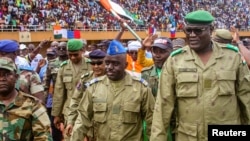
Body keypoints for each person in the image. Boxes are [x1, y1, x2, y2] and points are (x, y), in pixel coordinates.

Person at [150, 10, 250, 141]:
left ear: (211, 30)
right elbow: (163, 106)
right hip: (189, 136)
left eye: (198, 31)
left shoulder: (233, 57)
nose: (192, 35)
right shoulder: (175, 60)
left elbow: (247, 99)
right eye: (188, 30)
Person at [71, 40, 155, 141]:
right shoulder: (94, 87)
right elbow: (82, 120)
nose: (109, 67)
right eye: (107, 63)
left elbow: (152, 122)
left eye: (115, 64)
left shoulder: (141, 88)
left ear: (125, 65)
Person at [0, 57, 52, 141]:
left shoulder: (33, 105)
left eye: (7, 74)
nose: (2, 79)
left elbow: (44, 137)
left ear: (16, 77)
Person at [52, 39, 91, 141]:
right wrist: (56, 114)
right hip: (69, 111)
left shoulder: (90, 66)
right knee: (69, 136)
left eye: (76, 54)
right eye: (70, 55)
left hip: (88, 111)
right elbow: (59, 92)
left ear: (82, 51)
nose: (73, 57)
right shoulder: (64, 67)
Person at [65, 49, 107, 140]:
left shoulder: (111, 80)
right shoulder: (85, 79)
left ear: (106, 63)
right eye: (93, 64)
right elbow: (76, 100)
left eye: (99, 63)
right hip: (88, 126)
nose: (96, 66)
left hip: (106, 127)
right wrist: (70, 121)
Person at [43, 41, 68, 141]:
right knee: (55, 124)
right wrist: (44, 100)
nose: (61, 50)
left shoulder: (72, 62)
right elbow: (46, 83)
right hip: (56, 98)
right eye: (59, 48)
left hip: (69, 97)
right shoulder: (52, 63)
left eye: (64, 48)